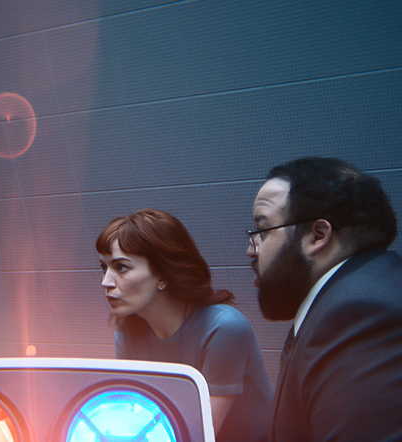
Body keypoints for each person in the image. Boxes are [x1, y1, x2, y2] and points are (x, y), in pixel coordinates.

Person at [248, 157, 402, 441]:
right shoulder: (357, 290)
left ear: (317, 236)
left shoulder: (356, 314)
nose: (251, 250)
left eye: (262, 231)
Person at [97, 209, 273, 442]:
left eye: (121, 267)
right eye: (104, 268)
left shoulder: (224, 328)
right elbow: (134, 415)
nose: (106, 282)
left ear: (163, 275)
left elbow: (199, 434)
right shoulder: (127, 331)